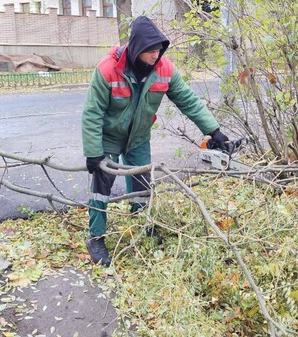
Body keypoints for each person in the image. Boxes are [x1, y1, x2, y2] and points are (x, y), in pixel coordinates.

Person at [82, 15, 232, 266]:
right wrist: (93, 152)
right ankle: (96, 237)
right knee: (101, 188)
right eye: (151, 51)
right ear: (137, 48)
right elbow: (92, 112)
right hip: (108, 137)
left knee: (142, 185)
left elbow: (189, 101)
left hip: (139, 137)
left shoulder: (165, 70)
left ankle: (144, 224)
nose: (156, 56)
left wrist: (214, 131)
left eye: (159, 50)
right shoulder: (107, 70)